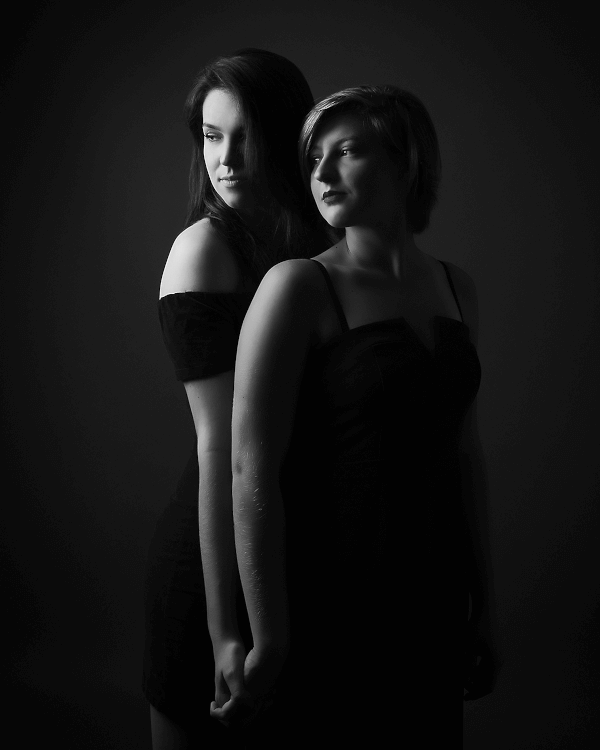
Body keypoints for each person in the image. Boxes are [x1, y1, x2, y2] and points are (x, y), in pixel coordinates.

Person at [227, 84, 502, 743]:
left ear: (407, 162)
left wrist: (487, 607)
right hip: (334, 597)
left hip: (432, 598)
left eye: (346, 151)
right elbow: (249, 468)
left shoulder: (456, 287)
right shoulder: (298, 286)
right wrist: (269, 635)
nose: (321, 173)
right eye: (313, 157)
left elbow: (464, 453)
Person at [142, 48, 329, 749]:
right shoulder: (204, 251)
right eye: (212, 136)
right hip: (215, 564)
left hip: (300, 558)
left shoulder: (322, 242)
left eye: (246, 136)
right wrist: (224, 631)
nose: (225, 159)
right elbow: (219, 448)